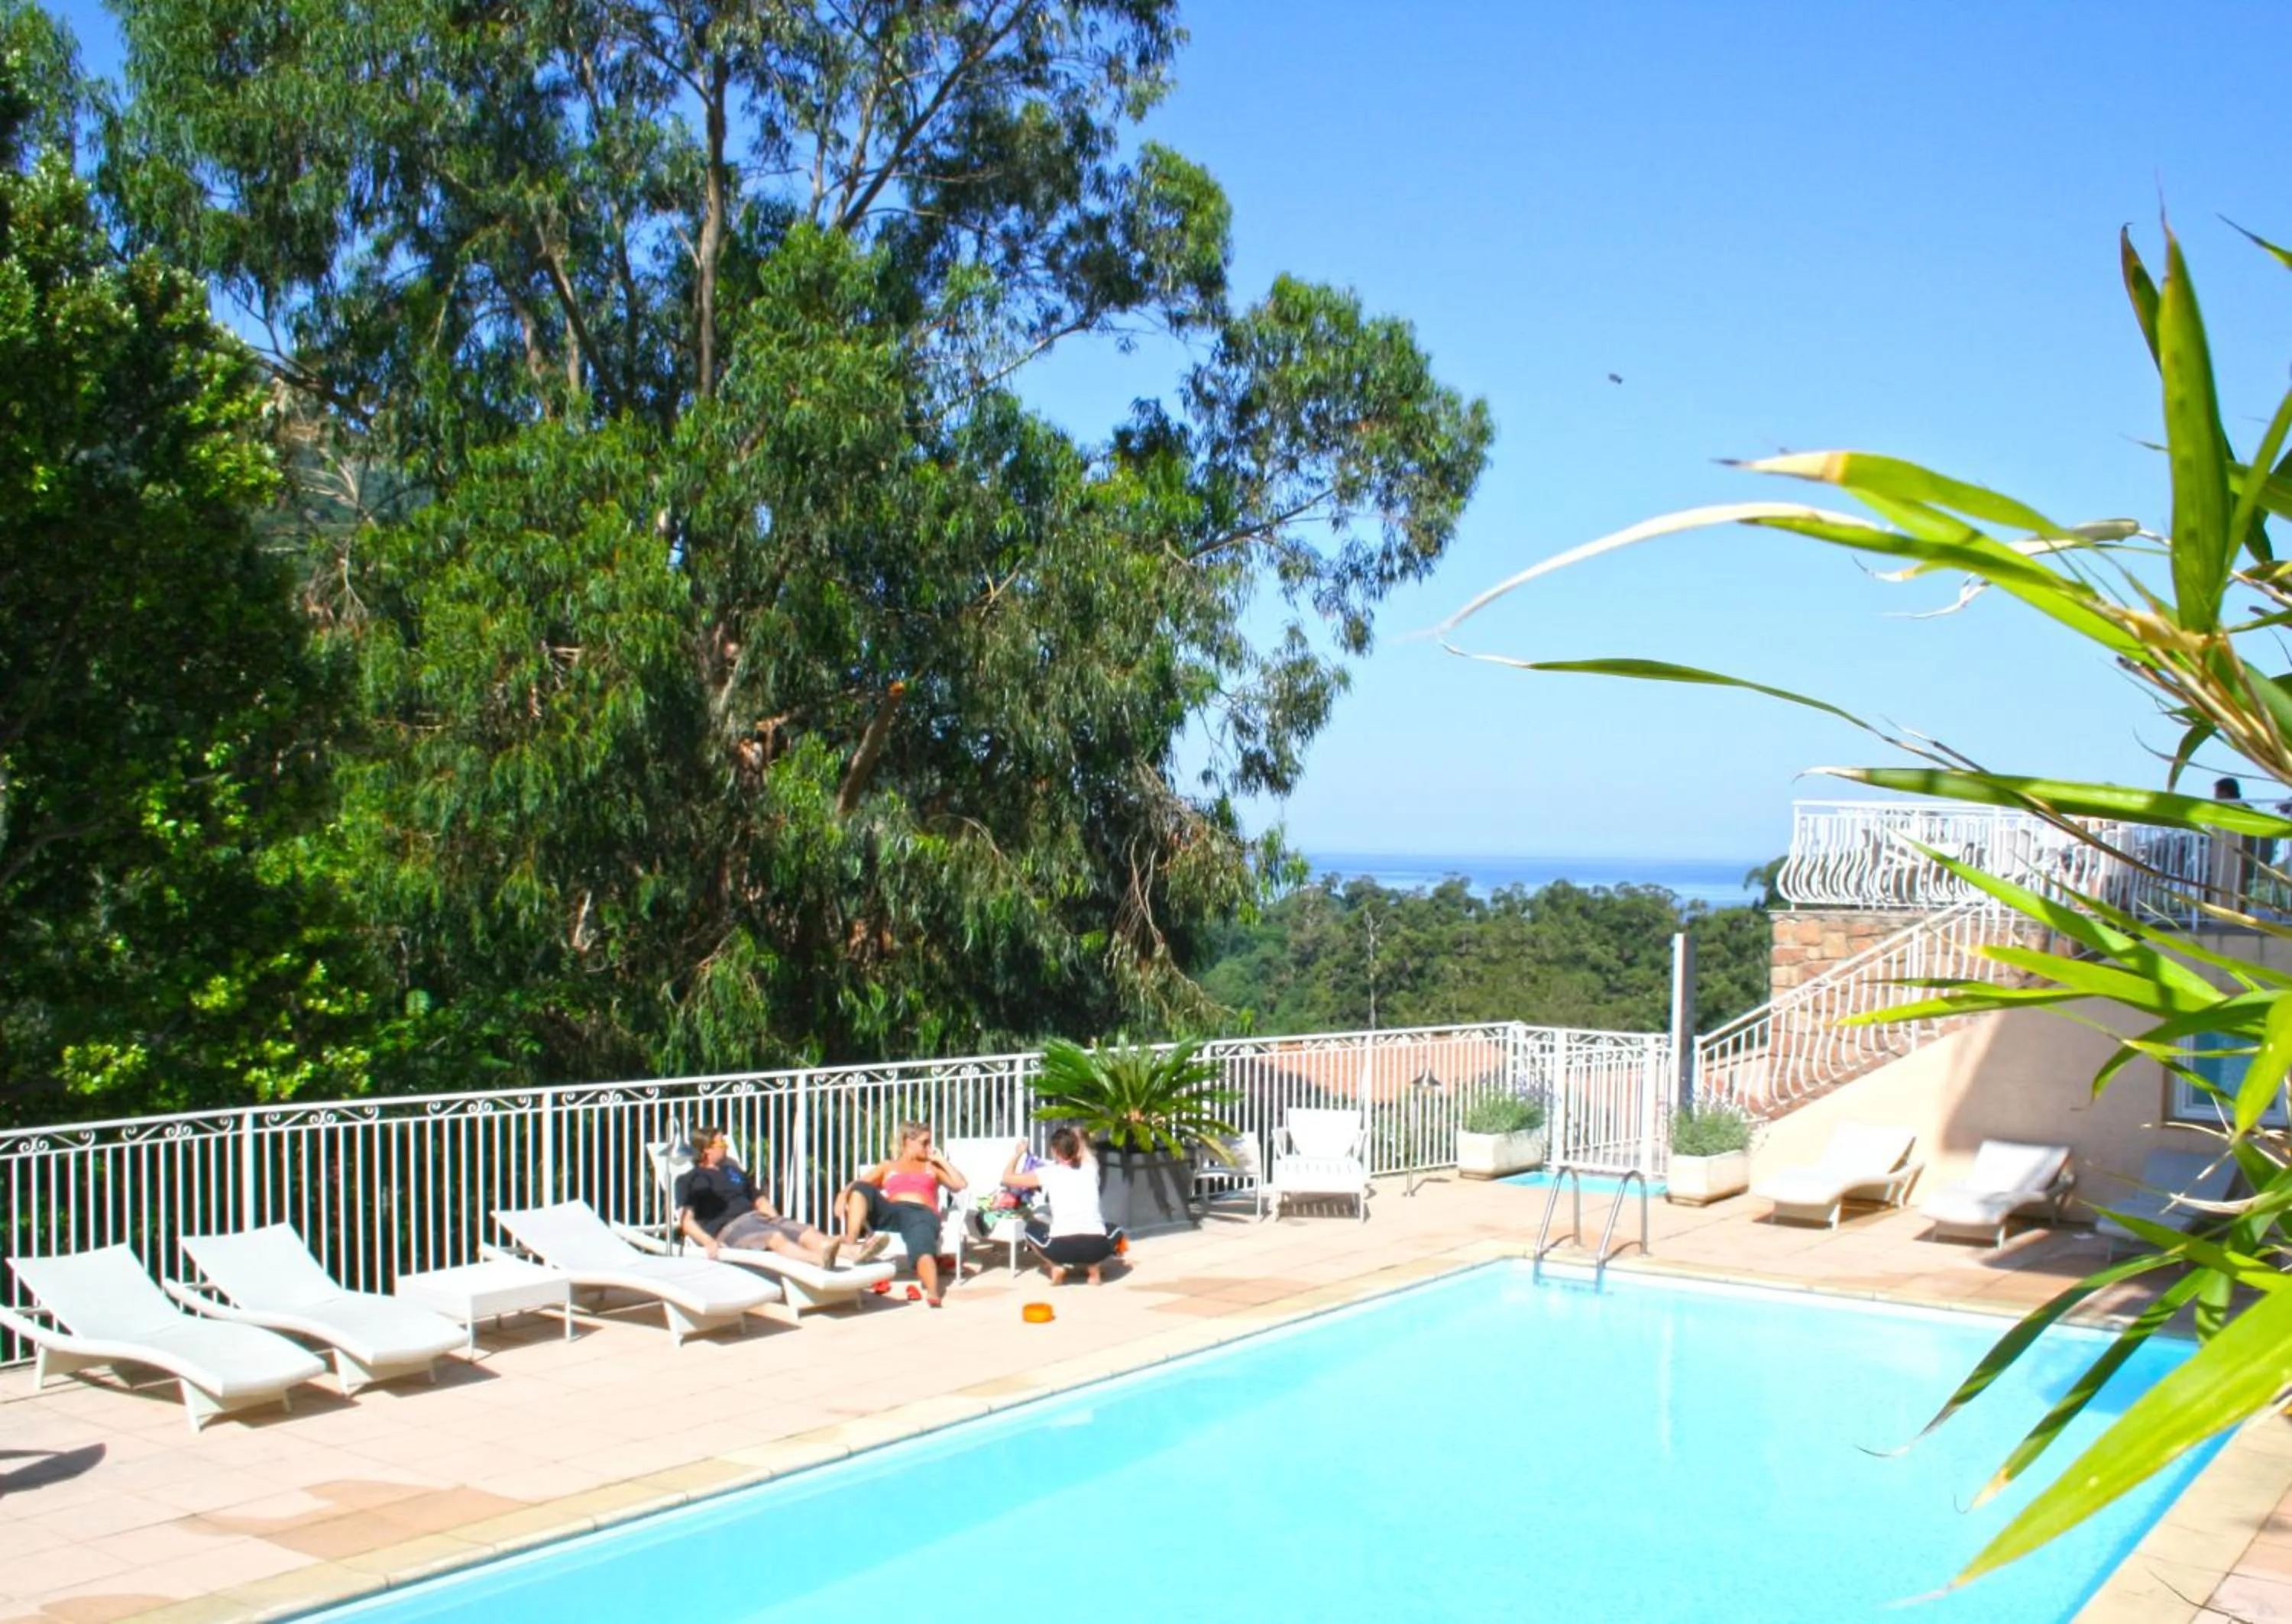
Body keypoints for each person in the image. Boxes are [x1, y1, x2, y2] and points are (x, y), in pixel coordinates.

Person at [675, 1125, 875, 1268]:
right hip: (730, 1229)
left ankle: (855, 1252)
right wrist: (708, 1241)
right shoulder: (691, 1179)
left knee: (807, 1232)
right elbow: (686, 1220)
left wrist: (777, 1220)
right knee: (775, 1237)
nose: (726, 1146)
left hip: (758, 1219)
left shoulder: (733, 1171)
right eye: (721, 1143)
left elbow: (759, 1200)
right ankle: (819, 1260)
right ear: (706, 1149)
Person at [841, 1121, 966, 1306]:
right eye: (925, 1142)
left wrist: (941, 1160)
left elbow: (960, 1184)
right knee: (860, 1188)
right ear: (908, 1141)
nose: (929, 1147)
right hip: (892, 1211)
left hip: (922, 1213)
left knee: (923, 1245)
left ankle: (933, 1292)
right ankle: (851, 1245)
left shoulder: (932, 1167)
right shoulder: (888, 1167)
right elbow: (858, 1185)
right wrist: (842, 1196)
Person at [1000, 1129, 1116, 1286]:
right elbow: (1083, 1152)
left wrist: (1018, 1153)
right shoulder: (1091, 1169)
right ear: (1077, 1148)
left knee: (1030, 1229)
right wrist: (1077, 1138)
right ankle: (1094, 1270)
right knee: (1114, 1230)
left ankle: (1056, 1266)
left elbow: (1007, 1178)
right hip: (1097, 1247)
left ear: (1054, 1151)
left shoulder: (1049, 1173)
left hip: (1061, 1249)